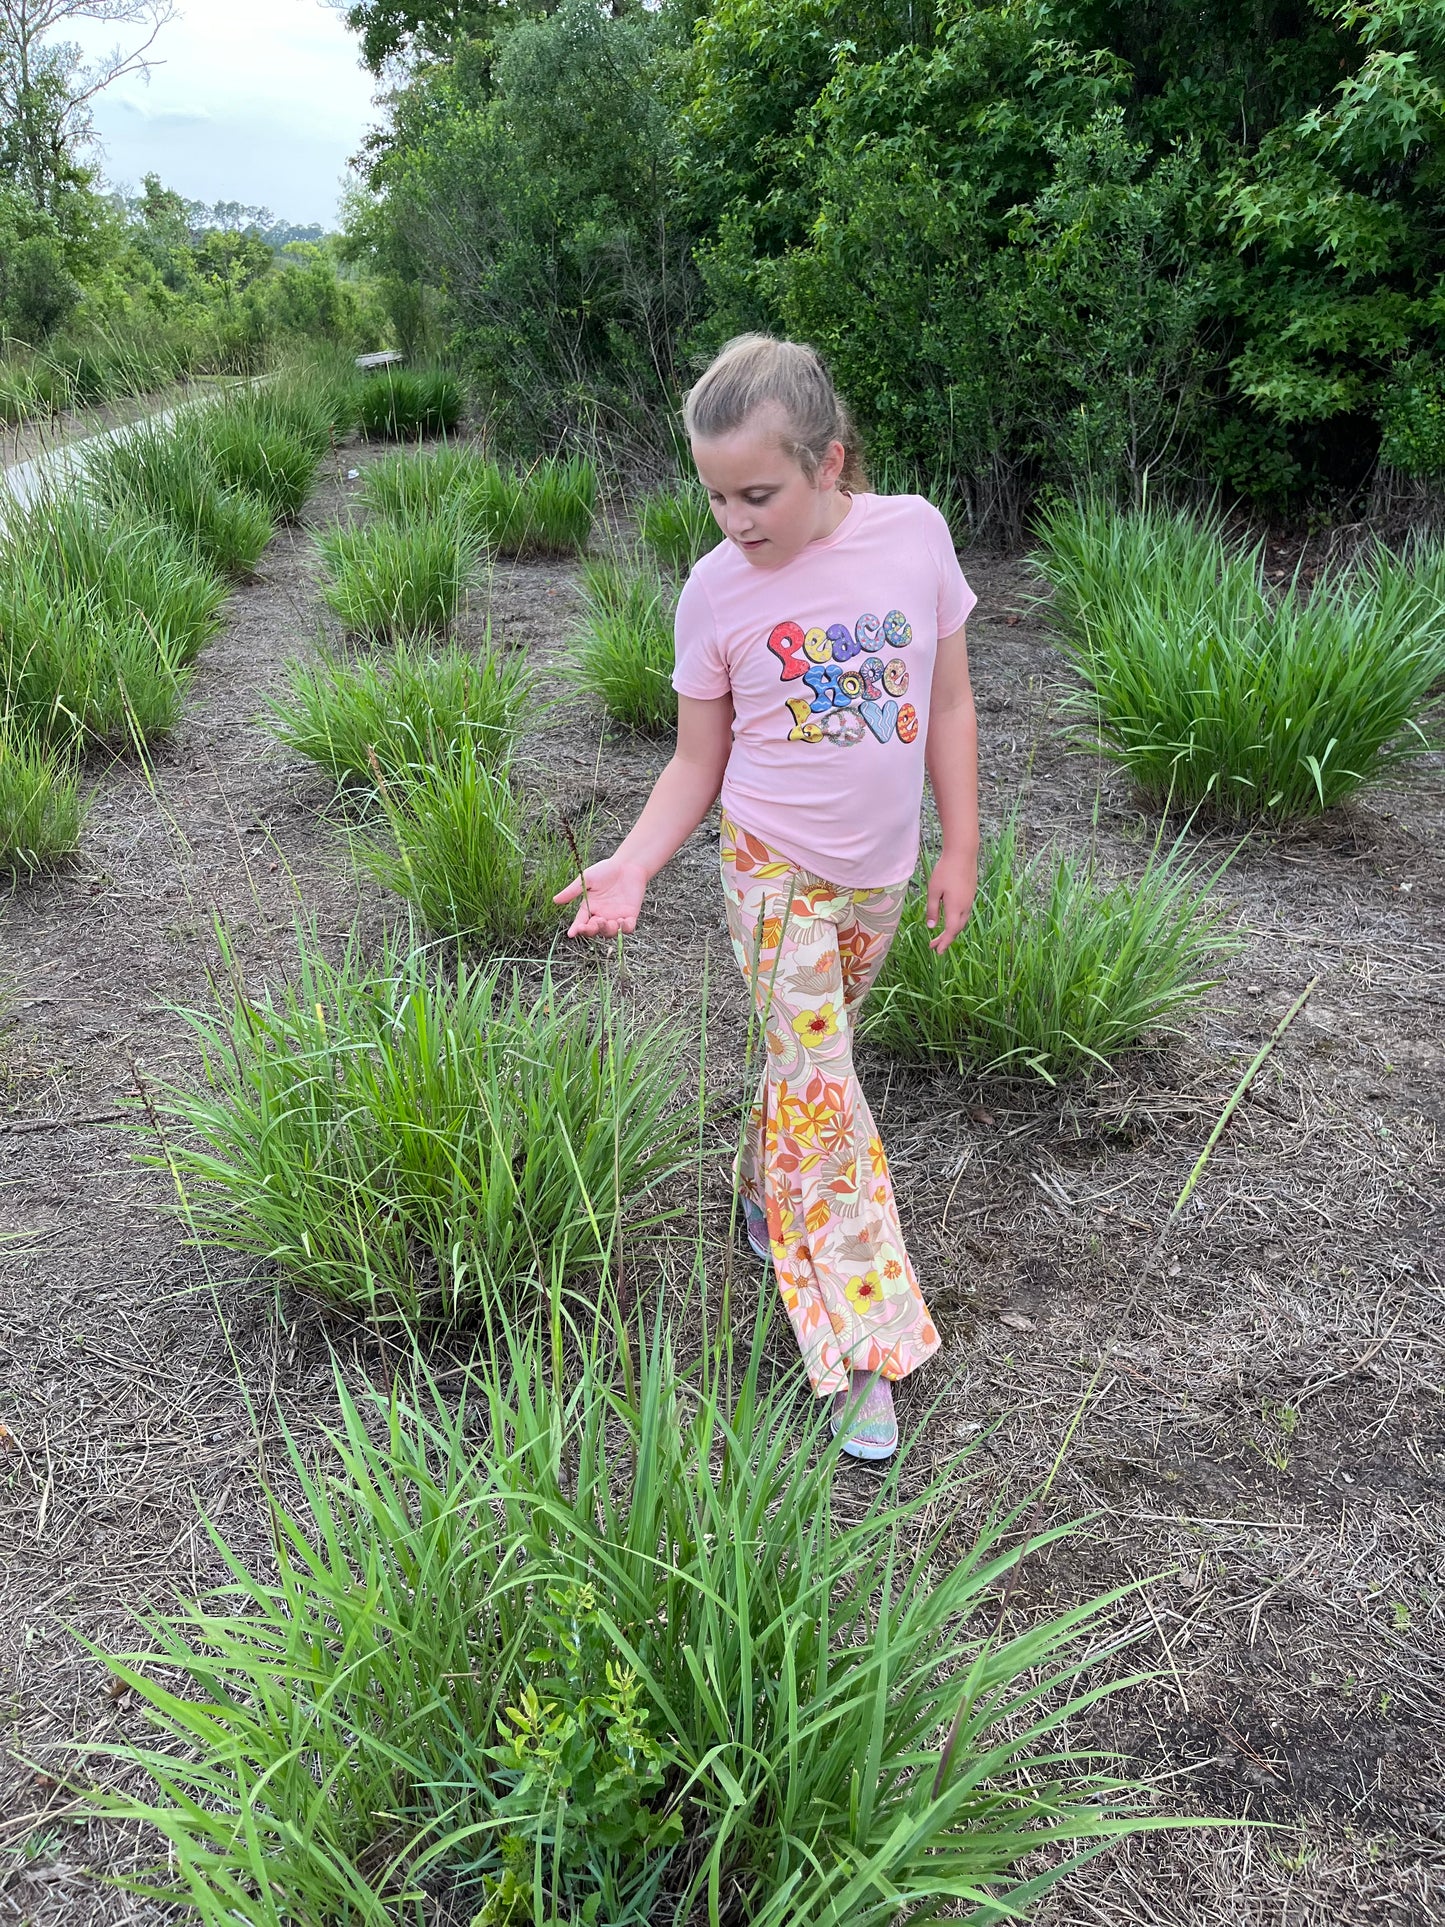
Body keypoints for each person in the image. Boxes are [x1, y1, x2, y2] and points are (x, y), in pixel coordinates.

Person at [556, 334, 979, 1461]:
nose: (735, 520)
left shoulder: (914, 535)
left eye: (758, 493)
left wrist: (960, 848)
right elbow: (696, 760)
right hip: (771, 871)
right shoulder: (714, 590)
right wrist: (636, 861)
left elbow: (945, 705)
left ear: (828, 461)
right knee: (824, 1090)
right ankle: (857, 1346)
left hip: (878, 874)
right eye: (714, 496)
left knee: (804, 1075)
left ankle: (762, 1194)